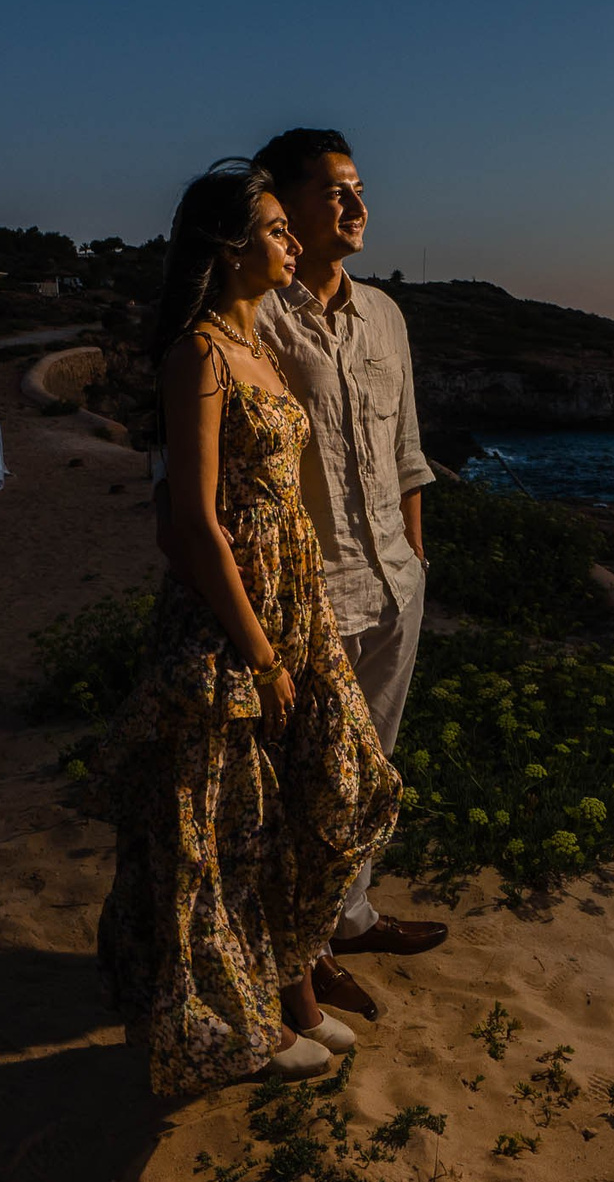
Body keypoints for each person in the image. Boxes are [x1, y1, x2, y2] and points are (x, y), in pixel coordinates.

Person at [95, 159, 402, 1096]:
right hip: (236, 619)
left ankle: (291, 987)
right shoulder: (196, 354)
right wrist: (260, 655)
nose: (293, 241)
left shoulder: (257, 346)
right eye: (275, 229)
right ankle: (260, 1024)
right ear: (231, 250)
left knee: (339, 789)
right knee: (227, 830)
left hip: (294, 599)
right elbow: (193, 522)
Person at [250, 128, 448, 1022]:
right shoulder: (260, 316)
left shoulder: (387, 317)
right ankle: (305, 947)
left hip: (394, 583)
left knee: (374, 767)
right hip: (316, 593)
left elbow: (409, 454)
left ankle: (352, 914)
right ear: (285, 205)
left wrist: (414, 561)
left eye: (360, 188)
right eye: (337, 192)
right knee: (307, 780)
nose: (360, 207)